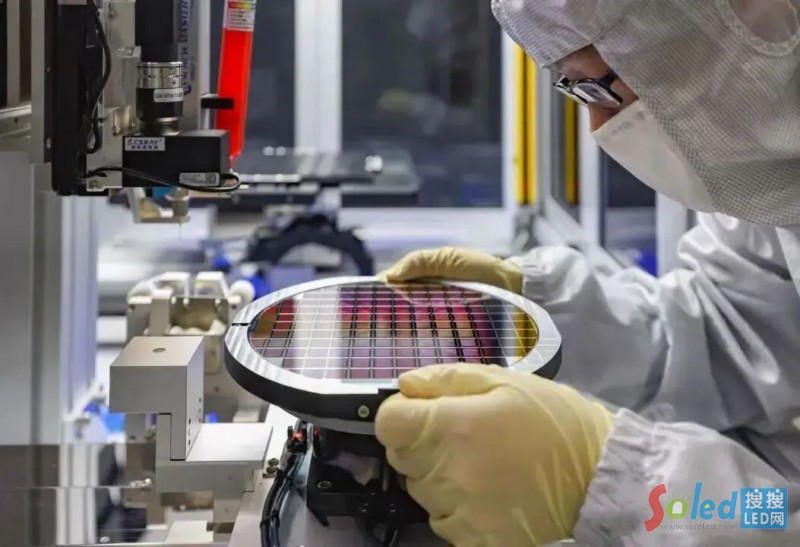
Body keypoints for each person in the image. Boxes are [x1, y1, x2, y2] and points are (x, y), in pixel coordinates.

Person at [373, 1, 800, 545]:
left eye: (598, 87)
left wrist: (621, 485)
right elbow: (732, 334)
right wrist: (532, 315)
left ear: (740, 46)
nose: (598, 127)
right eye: (572, 90)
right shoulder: (776, 189)